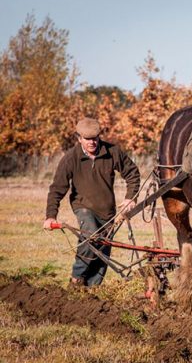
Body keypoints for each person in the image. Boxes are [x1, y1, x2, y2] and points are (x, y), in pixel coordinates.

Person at [43, 118, 140, 286]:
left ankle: (92, 290)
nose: (92, 142)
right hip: (83, 207)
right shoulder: (71, 159)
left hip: (108, 211)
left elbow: (132, 173)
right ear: (79, 138)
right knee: (91, 237)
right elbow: (57, 188)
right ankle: (76, 278)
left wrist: (130, 197)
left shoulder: (112, 152)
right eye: (87, 139)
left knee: (103, 248)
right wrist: (51, 216)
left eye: (95, 138)